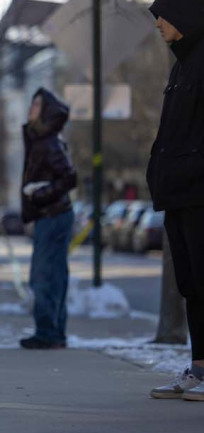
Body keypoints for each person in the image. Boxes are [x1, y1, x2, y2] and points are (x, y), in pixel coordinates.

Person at [146, 2, 204, 400]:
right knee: (192, 286)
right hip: (179, 194)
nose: (159, 24)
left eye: (163, 16)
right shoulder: (181, 66)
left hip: (199, 192)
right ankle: (199, 369)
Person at [19, 88, 77, 350]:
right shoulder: (40, 139)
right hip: (51, 215)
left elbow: (69, 177)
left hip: (54, 216)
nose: (31, 108)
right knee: (53, 275)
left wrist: (39, 193)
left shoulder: (49, 141)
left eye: (37, 105)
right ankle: (53, 332)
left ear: (46, 111)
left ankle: (48, 333)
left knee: (44, 276)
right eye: (32, 104)